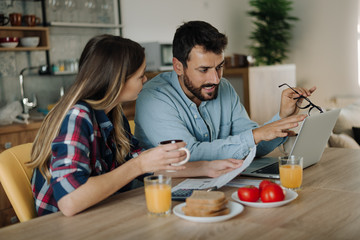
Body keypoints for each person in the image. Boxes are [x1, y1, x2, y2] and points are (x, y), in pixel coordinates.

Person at [28, 34, 242, 217]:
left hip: (102, 214)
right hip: (65, 227)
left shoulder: (112, 114)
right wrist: (139, 165)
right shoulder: (77, 115)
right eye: (140, 75)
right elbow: (70, 201)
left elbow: (143, 163)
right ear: (117, 80)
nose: (145, 79)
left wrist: (206, 167)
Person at [134, 20, 316, 161]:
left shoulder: (225, 88)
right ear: (178, 66)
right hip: (163, 193)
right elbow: (188, 155)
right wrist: (254, 136)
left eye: (219, 67)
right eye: (204, 70)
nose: (215, 79)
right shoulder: (154, 98)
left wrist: (283, 117)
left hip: (217, 183)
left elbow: (252, 145)